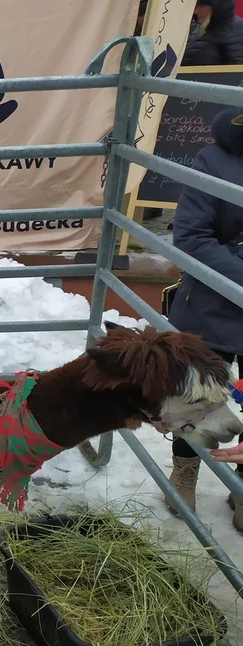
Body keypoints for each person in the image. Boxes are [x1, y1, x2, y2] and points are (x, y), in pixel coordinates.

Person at [167, 106, 243, 533]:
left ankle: (242, 483)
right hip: (214, 300)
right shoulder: (214, 159)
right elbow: (192, 236)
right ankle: (185, 469)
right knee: (199, 393)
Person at [183, 0, 243, 66]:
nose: (196, 11)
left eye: (202, 6)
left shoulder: (236, 31)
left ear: (216, 6)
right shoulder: (198, 30)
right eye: (196, 5)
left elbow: (237, 72)